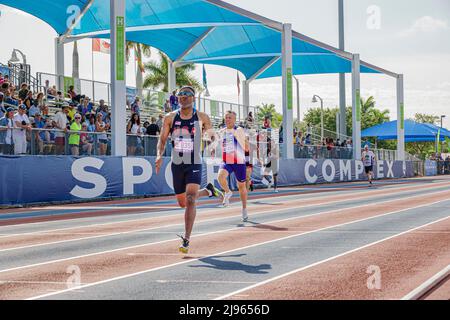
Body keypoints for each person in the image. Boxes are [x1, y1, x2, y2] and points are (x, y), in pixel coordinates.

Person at [155, 85, 223, 254]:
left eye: (187, 94)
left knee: (191, 200)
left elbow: (213, 136)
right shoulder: (170, 118)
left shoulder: (202, 117)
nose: (183, 97)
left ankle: (186, 239)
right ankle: (208, 191)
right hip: (177, 162)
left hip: (194, 161)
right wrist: (158, 155)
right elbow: (162, 140)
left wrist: (213, 145)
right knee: (182, 202)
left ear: (193, 98)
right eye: (180, 95)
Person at [218, 111, 249, 222]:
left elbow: (246, 147)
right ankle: (228, 192)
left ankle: (244, 208)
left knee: (241, 186)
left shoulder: (239, 130)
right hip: (227, 160)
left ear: (234, 119)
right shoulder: (222, 131)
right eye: (226, 117)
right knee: (220, 177)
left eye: (230, 118)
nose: (227, 119)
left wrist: (243, 141)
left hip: (239, 161)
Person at [258, 125, 280, 193]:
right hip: (269, 162)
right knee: (264, 175)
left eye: (271, 142)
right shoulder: (267, 149)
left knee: (275, 176)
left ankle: (275, 188)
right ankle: (270, 181)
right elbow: (265, 156)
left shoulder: (275, 149)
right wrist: (264, 163)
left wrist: (273, 156)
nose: (270, 143)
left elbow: (277, 156)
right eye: (269, 142)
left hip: (274, 162)